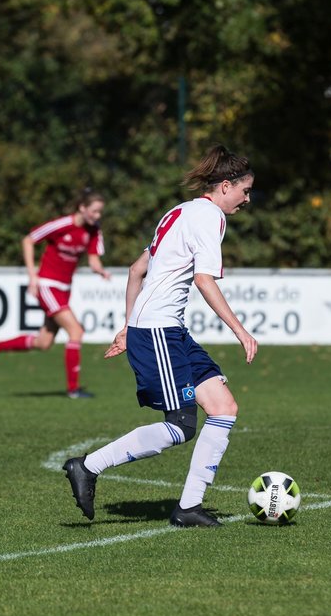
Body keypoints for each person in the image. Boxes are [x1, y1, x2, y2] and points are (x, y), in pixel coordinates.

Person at [62, 145, 259, 528]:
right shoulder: (211, 218)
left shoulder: (178, 212)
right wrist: (240, 330)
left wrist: (128, 325)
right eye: (244, 191)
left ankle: (188, 508)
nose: (246, 199)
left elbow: (137, 270)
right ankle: (87, 466)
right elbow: (204, 280)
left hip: (164, 330)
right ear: (225, 186)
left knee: (223, 407)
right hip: (158, 331)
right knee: (180, 426)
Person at [0, 189, 111, 398]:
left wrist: (100, 270)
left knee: (44, 342)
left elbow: (94, 259)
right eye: (94, 211)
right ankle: (73, 390)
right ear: (82, 208)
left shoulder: (93, 230)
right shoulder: (61, 225)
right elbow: (28, 240)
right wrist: (33, 276)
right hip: (48, 286)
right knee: (76, 332)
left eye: (100, 212)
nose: (97, 216)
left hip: (65, 289)